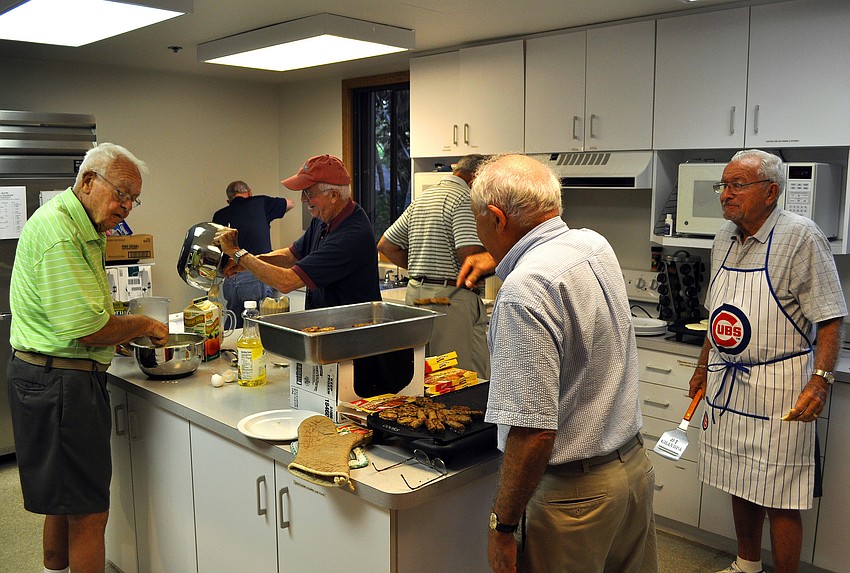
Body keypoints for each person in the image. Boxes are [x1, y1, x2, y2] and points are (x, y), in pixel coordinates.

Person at [469, 154, 657, 573]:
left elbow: (533, 432)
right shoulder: (593, 243)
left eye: (476, 218)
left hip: (574, 497)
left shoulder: (524, 289)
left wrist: (503, 525)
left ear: (497, 219)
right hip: (631, 472)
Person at [7, 142, 169, 573]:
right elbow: (87, 327)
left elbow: (85, 317)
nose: (126, 206)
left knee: (62, 503)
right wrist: (142, 325)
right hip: (61, 386)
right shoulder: (62, 232)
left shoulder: (80, 225)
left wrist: (107, 334)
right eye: (121, 193)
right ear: (88, 181)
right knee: (88, 513)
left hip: (47, 376)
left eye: (133, 198)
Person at [687, 149, 845, 573]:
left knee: (780, 490)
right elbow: (716, 312)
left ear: (771, 192)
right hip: (727, 377)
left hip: (781, 385)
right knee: (739, 478)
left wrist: (821, 379)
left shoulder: (800, 237)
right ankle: (747, 564)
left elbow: (830, 317)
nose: (726, 194)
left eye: (737, 185)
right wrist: (703, 366)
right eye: (724, 185)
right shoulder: (724, 237)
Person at [214, 154, 380, 310]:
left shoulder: (351, 235)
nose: (302, 199)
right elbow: (290, 256)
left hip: (351, 332)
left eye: (308, 192)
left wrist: (238, 254)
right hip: (329, 328)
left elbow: (287, 282)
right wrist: (245, 263)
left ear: (334, 195)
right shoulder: (322, 220)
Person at [377, 154, 490, 378]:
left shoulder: (423, 198)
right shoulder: (464, 199)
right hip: (450, 298)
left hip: (416, 295)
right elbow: (470, 256)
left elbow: (386, 245)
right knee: (458, 377)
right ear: (477, 177)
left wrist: (421, 270)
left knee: (423, 375)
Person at [212, 180, 295, 326]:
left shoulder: (219, 215)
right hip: (256, 273)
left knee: (234, 322)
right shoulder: (260, 203)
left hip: (230, 277)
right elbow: (290, 203)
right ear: (249, 192)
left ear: (228, 200)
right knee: (259, 324)